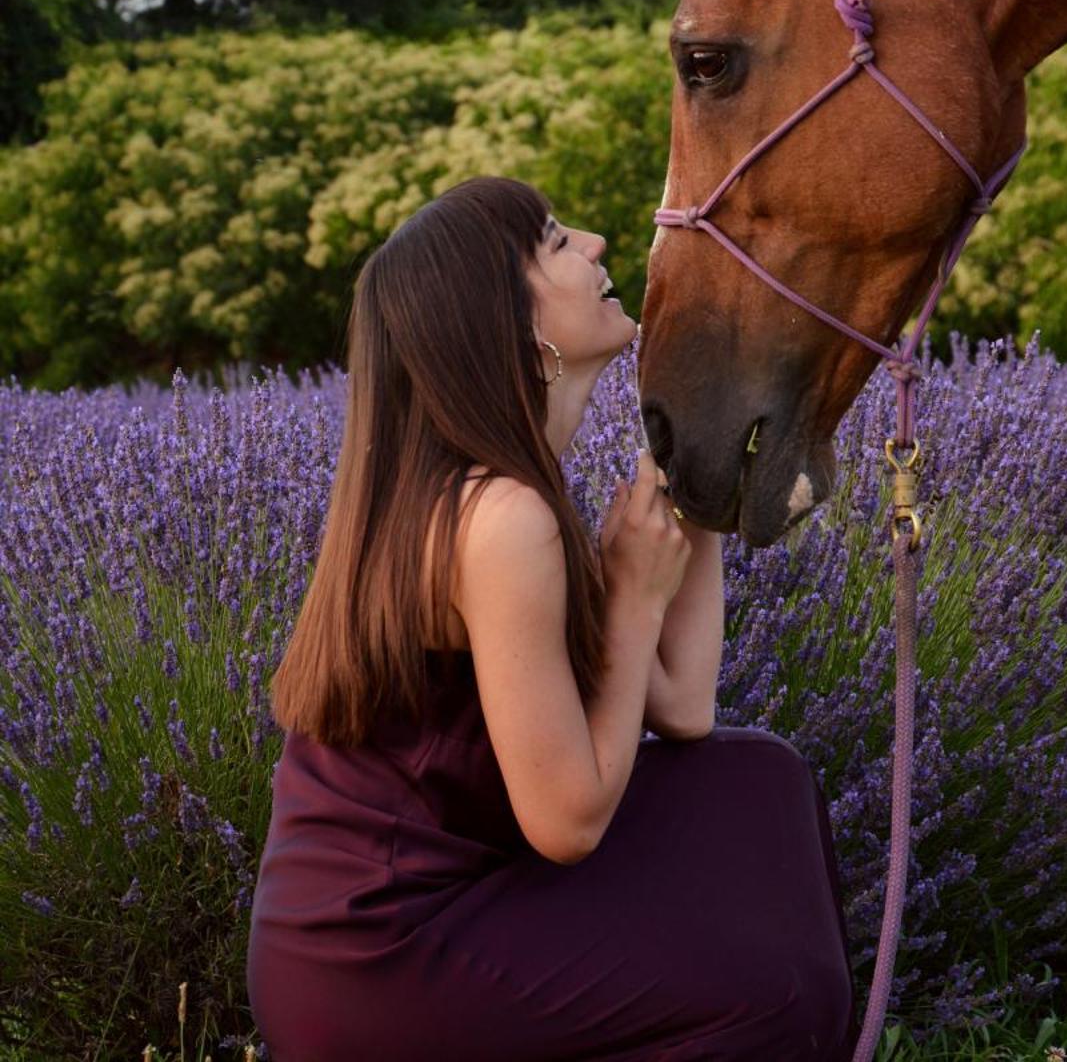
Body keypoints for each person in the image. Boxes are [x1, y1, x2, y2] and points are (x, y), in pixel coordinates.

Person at [247, 175, 857, 1061]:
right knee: (773, 991)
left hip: (397, 927)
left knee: (754, 786)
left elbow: (683, 709)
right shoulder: (501, 520)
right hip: (377, 963)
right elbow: (566, 823)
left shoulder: (502, 496)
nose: (597, 245)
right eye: (555, 242)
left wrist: (698, 482)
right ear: (510, 320)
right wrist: (636, 601)